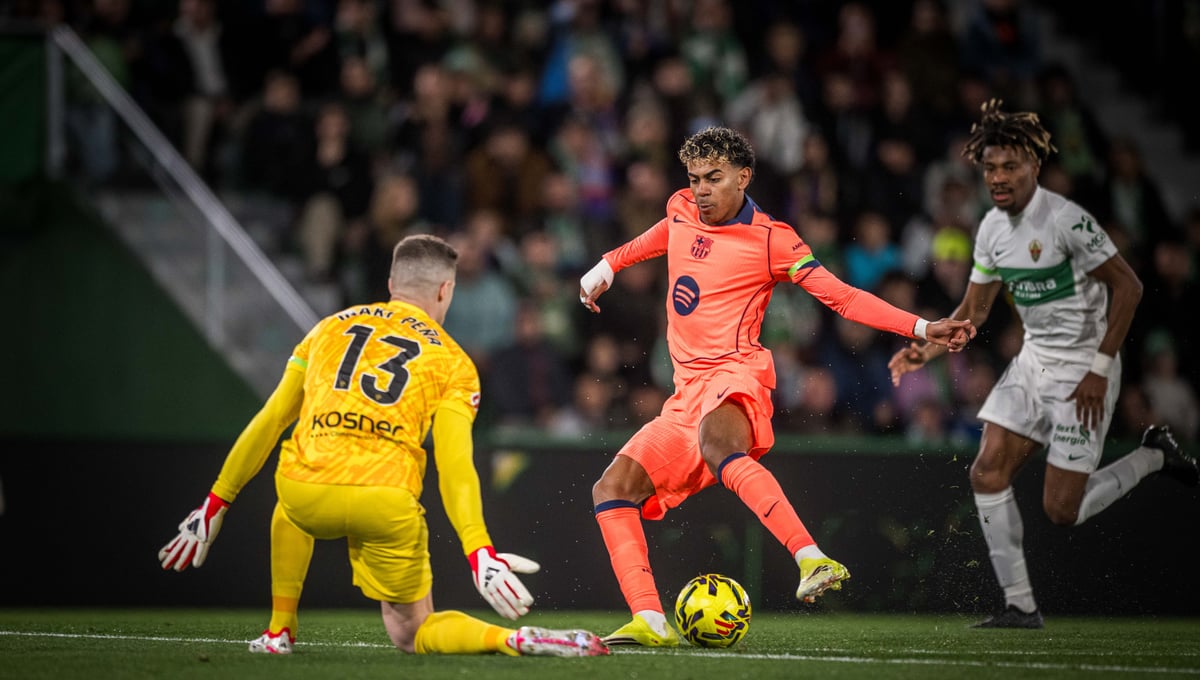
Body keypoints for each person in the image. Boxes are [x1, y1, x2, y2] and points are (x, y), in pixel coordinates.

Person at [577, 125, 976, 647]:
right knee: (611, 489)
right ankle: (650, 619)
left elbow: (843, 298)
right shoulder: (680, 208)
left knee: (719, 445)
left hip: (735, 374)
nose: (701, 190)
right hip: (685, 395)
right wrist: (609, 263)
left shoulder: (773, 240)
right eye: (695, 178)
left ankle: (811, 558)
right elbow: (659, 236)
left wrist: (922, 328)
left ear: (743, 177)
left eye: (714, 179)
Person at [158, 234, 608, 658]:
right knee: (411, 632)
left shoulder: (326, 330)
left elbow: (271, 420)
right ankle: (511, 639)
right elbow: (454, 466)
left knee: (288, 498)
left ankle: (279, 630)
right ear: (445, 291)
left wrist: (215, 503)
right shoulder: (453, 360)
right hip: (385, 499)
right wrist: (480, 552)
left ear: (392, 284)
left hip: (305, 491)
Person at [887, 100, 1200, 629]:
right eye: (990, 168)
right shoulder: (989, 229)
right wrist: (929, 346)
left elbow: (1130, 288)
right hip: (1033, 361)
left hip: (1084, 368)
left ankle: (1152, 455)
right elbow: (975, 312)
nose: (999, 177)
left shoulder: (1066, 220)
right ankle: (1019, 605)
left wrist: (1101, 369)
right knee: (986, 471)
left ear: (1034, 164)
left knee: (1063, 511)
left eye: (1010, 165)